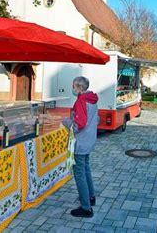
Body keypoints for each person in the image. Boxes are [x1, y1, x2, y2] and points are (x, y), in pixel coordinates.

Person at [62, 76, 98, 218]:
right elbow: (96, 119)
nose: (72, 88)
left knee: (79, 174)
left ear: (79, 87)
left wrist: (66, 122)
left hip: (81, 142)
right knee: (86, 169)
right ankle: (90, 197)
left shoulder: (82, 100)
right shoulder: (92, 99)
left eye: (73, 86)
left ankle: (86, 208)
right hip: (89, 140)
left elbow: (79, 125)